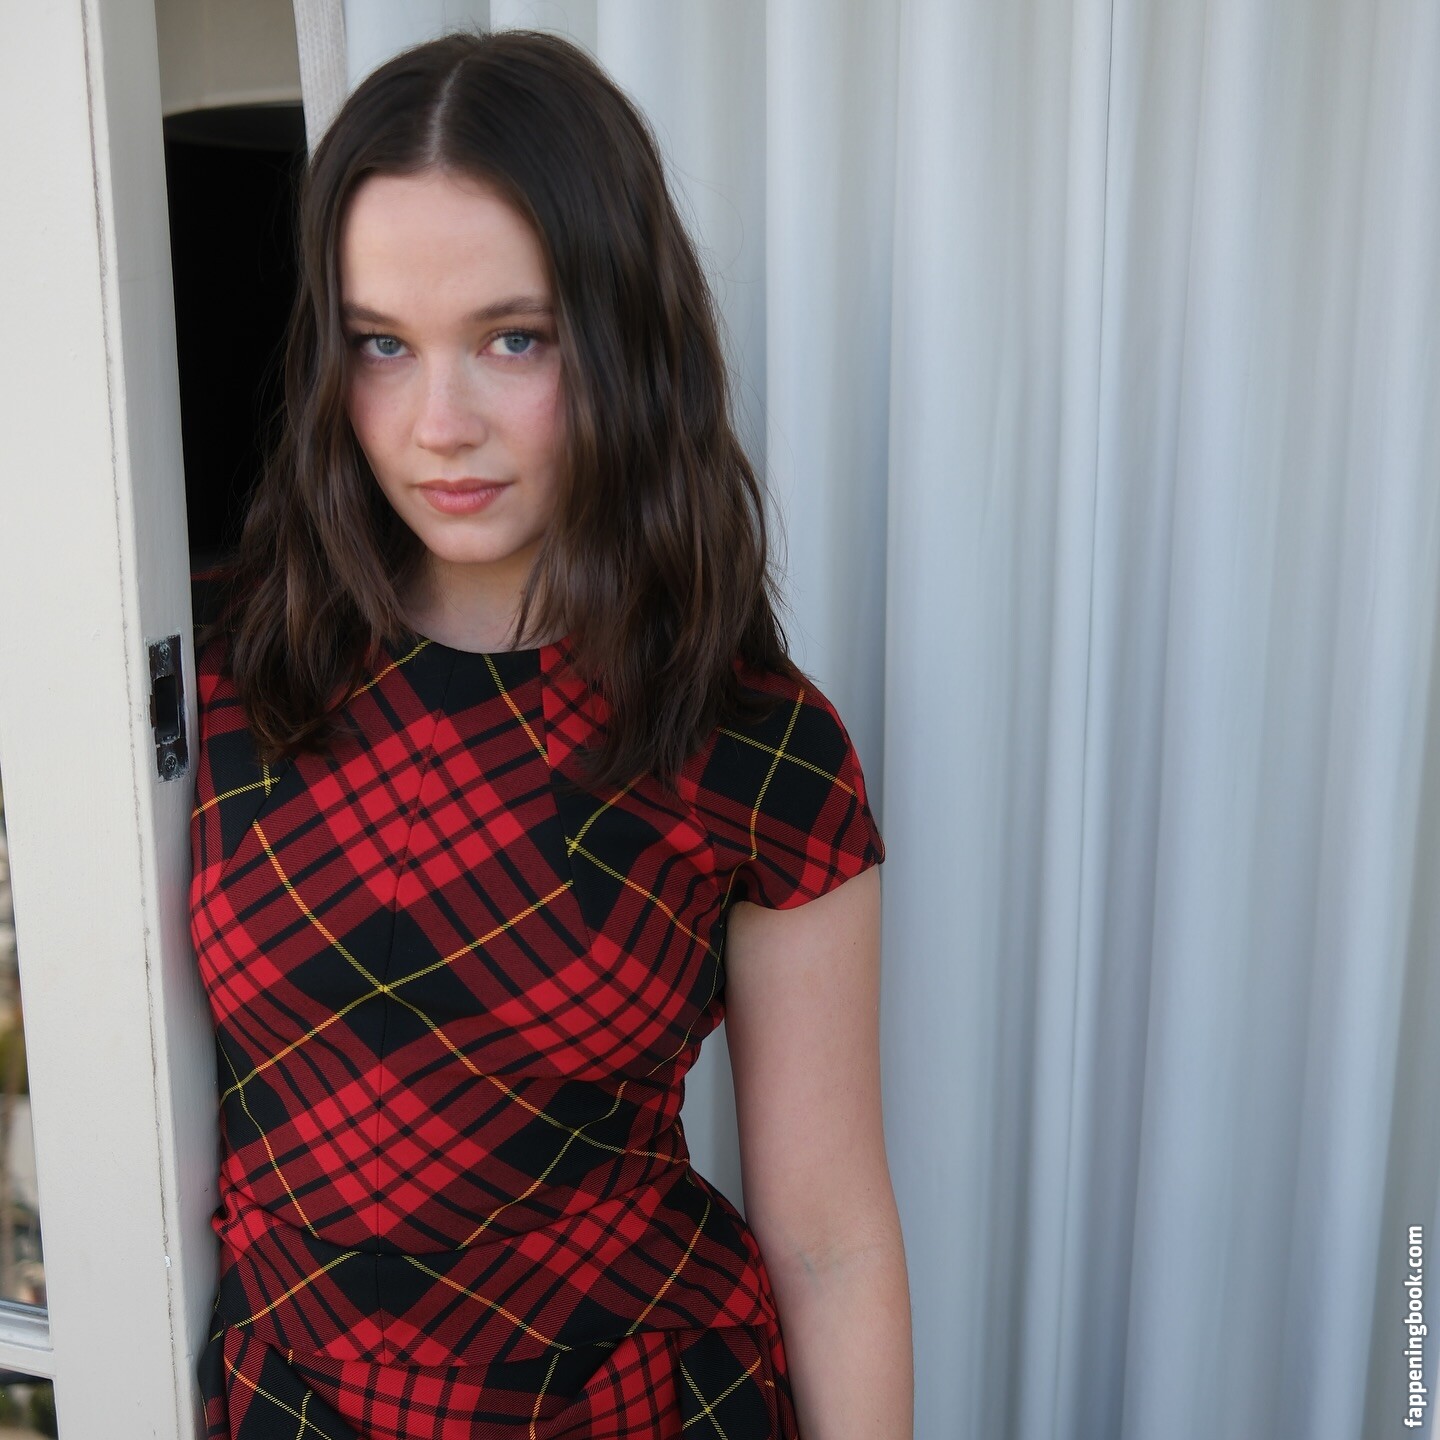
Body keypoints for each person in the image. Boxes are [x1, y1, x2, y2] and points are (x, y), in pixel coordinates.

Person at [189, 26, 911, 1440]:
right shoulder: (221, 673)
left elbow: (829, 1239)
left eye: (512, 339)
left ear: (624, 337)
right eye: (382, 345)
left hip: (639, 1404)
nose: (438, 424)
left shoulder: (754, 742)